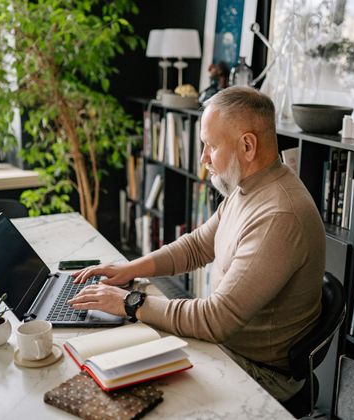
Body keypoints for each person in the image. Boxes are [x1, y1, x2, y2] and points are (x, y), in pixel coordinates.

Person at [69, 86, 326, 402]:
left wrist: (129, 302)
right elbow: (197, 246)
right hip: (228, 345)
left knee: (127, 385)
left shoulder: (279, 214)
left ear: (247, 145)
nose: (203, 158)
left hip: (262, 374)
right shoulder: (248, 187)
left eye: (210, 146)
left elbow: (216, 320)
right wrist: (128, 269)